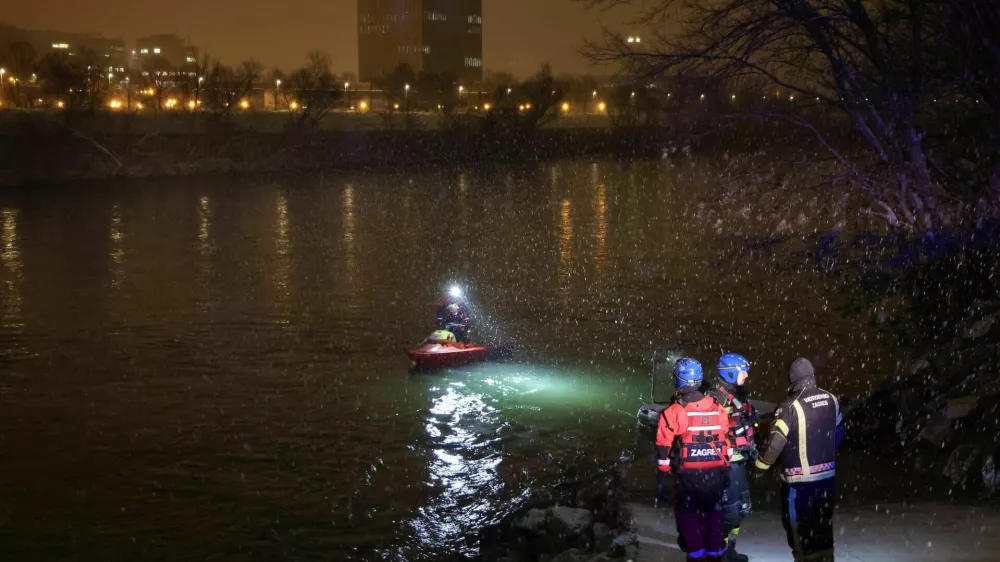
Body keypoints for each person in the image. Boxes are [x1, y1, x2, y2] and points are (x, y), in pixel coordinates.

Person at [755, 358, 844, 562]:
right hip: (827, 481)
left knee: (799, 533)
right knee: (823, 528)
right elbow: (839, 432)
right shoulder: (832, 399)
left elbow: (774, 445)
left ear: (792, 380)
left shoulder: (789, 407)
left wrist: (760, 467)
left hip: (799, 484)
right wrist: (825, 454)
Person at [656, 357, 731, 562]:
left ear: (678, 380)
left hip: (688, 482)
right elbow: (726, 443)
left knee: (689, 522)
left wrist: (662, 482)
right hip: (715, 479)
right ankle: (715, 556)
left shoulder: (673, 413)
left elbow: (663, 451)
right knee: (714, 521)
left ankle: (696, 556)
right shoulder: (718, 408)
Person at [710, 353, 758, 562]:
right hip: (725, 465)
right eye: (743, 370)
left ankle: (730, 548)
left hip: (739, 462)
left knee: (743, 508)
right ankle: (717, 551)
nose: (746, 375)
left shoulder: (738, 396)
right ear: (730, 373)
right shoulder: (715, 400)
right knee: (730, 512)